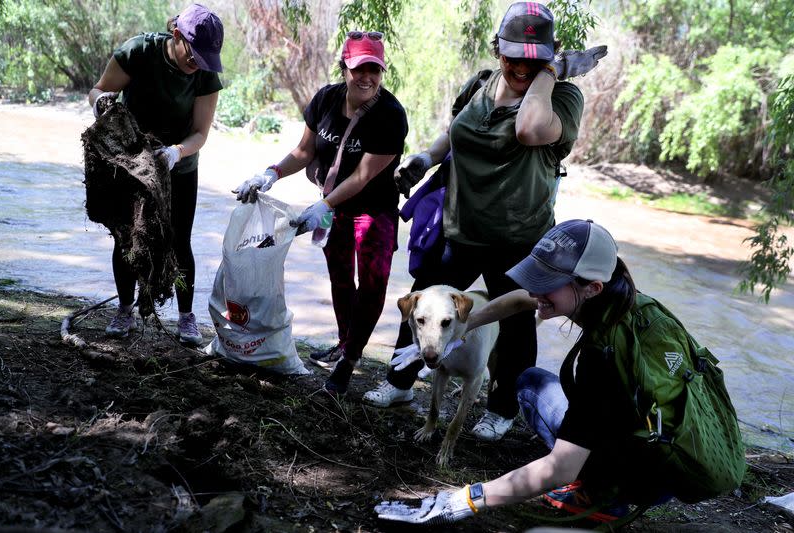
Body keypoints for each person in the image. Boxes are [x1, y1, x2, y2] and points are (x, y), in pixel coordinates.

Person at [375, 219, 745, 526]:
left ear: (591, 287)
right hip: (680, 450)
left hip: (645, 474)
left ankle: (603, 495)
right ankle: (616, 476)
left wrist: (465, 499)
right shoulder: (639, 305)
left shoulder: (602, 360)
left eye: (546, 281)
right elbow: (522, 299)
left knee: (531, 385)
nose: (535, 287)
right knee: (542, 383)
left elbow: (559, 468)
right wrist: (460, 331)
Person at [362, 1, 606, 442]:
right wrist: (426, 157)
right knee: (422, 308)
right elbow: (456, 131)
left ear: (550, 56)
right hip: (459, 226)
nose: (519, 66)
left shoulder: (563, 97)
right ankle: (399, 385)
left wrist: (553, 71)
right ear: (497, 49)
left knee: (514, 324)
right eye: (512, 55)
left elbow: (530, 129)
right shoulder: (482, 83)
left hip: (518, 236)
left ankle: (502, 408)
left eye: (533, 58)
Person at [233, 31, 408, 395]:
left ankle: (350, 360)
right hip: (331, 209)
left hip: (374, 211)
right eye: (360, 68)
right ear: (344, 66)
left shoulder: (390, 116)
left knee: (373, 283)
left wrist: (323, 205)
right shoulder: (325, 100)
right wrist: (271, 174)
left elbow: (362, 177)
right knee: (341, 280)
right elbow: (303, 151)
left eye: (374, 69)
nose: (367, 77)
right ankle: (346, 342)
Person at [88, 3, 224, 345]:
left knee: (180, 241)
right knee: (128, 237)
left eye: (205, 60)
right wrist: (101, 104)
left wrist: (176, 153)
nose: (197, 65)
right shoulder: (139, 52)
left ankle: (186, 316)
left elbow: (200, 134)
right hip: (131, 162)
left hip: (178, 164)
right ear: (176, 36)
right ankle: (124, 310)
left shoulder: (205, 73)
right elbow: (99, 89)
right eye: (193, 55)